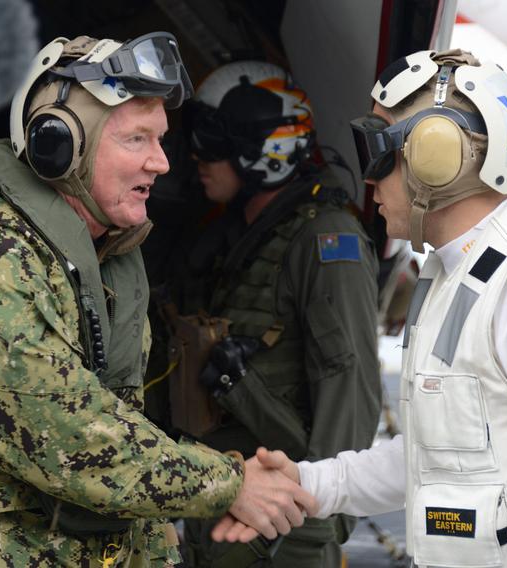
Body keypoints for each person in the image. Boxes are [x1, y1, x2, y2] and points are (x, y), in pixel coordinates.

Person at [0, 35, 315, 568]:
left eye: (160, 140)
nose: (161, 163)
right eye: (137, 139)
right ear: (60, 145)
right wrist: (231, 487)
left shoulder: (104, 254)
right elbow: (64, 437)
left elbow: (118, 419)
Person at [215, 49, 507, 567]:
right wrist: (311, 480)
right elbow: (441, 456)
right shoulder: (456, 275)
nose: (368, 178)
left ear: (438, 158)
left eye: (380, 150)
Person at [161, 61, 381, 567]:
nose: (198, 155)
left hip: (278, 538)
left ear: (261, 149)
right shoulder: (233, 239)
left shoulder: (328, 241)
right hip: (223, 521)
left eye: (214, 140)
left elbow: (350, 392)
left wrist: (306, 539)